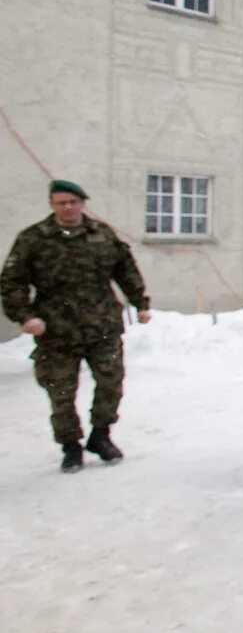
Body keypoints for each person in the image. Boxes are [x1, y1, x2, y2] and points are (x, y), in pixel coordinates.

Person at [2, 180, 151, 472]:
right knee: (61, 393)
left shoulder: (102, 235)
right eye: (61, 203)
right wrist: (25, 316)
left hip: (102, 325)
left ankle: (100, 436)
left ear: (83, 203)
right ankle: (70, 446)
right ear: (52, 205)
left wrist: (140, 302)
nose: (68, 207)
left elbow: (125, 269)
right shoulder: (34, 238)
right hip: (56, 330)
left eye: (73, 202)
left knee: (111, 384)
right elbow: (11, 281)